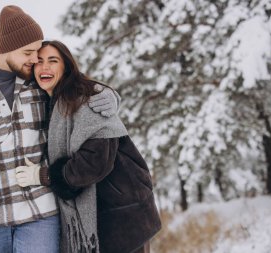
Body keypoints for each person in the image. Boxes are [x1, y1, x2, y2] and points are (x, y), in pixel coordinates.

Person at [0, 6, 118, 253]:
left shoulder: (37, 82)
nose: (35, 59)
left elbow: (77, 87)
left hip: (40, 214)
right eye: (28, 52)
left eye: (37, 51)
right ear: (5, 48)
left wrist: (109, 95)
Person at [15, 40, 162, 253]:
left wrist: (43, 176)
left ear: (66, 66)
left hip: (122, 213)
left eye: (52, 61)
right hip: (109, 214)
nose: (44, 67)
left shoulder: (86, 99)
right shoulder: (53, 103)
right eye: (39, 62)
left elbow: (94, 162)